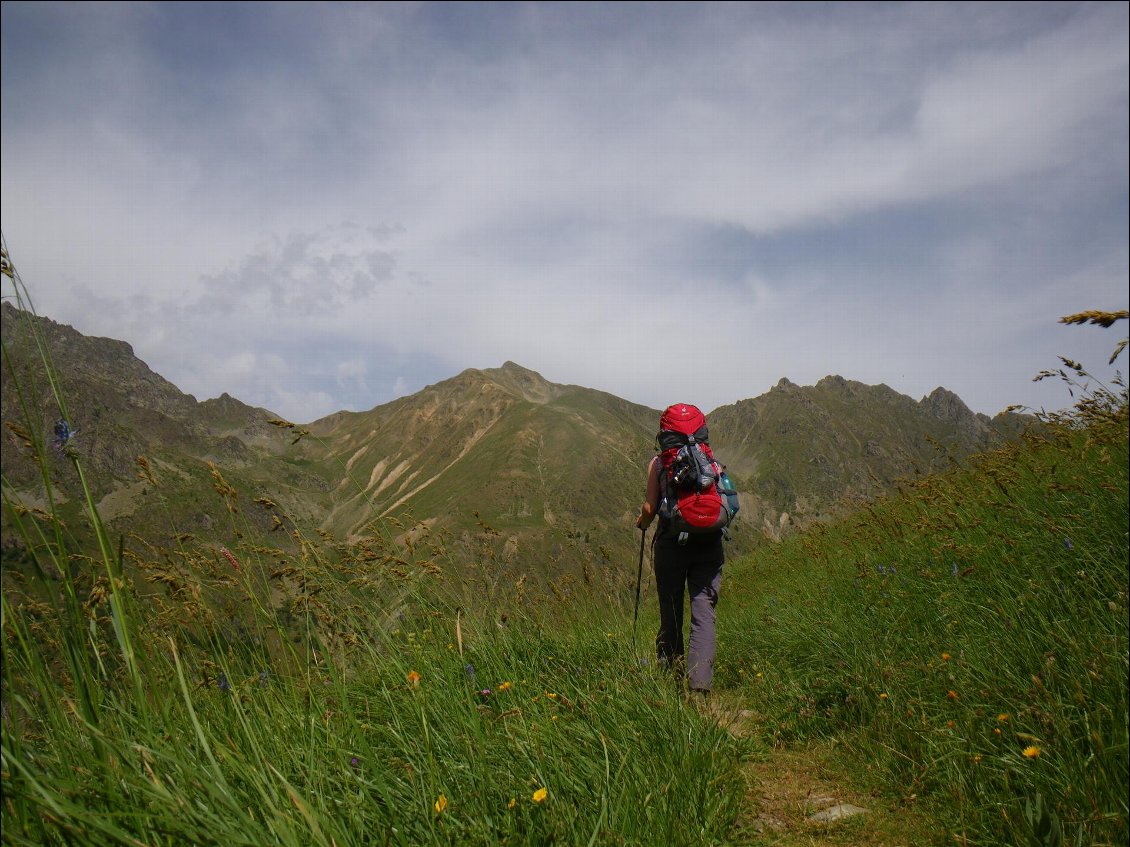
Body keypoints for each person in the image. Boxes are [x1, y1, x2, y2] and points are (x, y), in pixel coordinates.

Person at [635, 404, 725, 696]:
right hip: (709, 543)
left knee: (670, 611)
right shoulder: (711, 462)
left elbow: (650, 507)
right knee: (703, 613)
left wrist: (642, 522)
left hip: (671, 545)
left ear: (665, 433)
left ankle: (671, 679)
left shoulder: (660, 463)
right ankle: (700, 688)